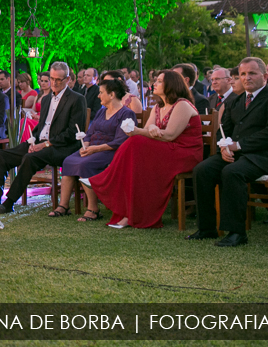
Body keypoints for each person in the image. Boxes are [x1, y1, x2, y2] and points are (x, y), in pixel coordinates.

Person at [86, 70, 202, 229]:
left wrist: (138, 130)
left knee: (135, 141)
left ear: (171, 84)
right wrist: (150, 128)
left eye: (160, 81)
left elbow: (169, 135)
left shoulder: (182, 104)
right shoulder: (158, 106)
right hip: (166, 150)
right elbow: (148, 131)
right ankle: (129, 212)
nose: (155, 83)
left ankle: (106, 179)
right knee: (136, 151)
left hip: (184, 153)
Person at [189, 57, 268, 246]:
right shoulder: (235, 102)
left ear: (264, 76)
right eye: (243, 74)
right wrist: (223, 148)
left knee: (232, 172)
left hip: (266, 155)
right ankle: (207, 228)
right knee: (202, 170)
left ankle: (236, 232)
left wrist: (238, 146)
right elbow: (224, 131)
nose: (247, 78)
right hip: (236, 154)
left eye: (252, 73)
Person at [0, 62, 86, 214]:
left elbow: (71, 133)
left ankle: (9, 202)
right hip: (40, 143)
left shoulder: (77, 99)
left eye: (58, 80)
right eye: (52, 78)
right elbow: (40, 127)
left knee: (30, 158)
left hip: (61, 147)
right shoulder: (47, 99)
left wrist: (45, 145)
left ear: (67, 79)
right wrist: (32, 141)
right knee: (0, 155)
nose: (54, 82)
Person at [54, 79, 135, 221]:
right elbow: (90, 132)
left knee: (84, 164)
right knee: (68, 161)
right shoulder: (101, 112)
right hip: (92, 148)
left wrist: (95, 149)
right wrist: (85, 144)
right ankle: (64, 205)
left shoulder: (126, 114)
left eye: (101, 93)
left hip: (111, 151)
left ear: (112, 95)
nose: (98, 96)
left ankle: (93, 209)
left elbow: (120, 141)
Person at [16, 73, 38, 143]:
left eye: (22, 82)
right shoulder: (18, 92)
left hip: (26, 117)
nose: (20, 84)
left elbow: (23, 105)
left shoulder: (33, 93)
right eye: (19, 82)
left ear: (28, 82)